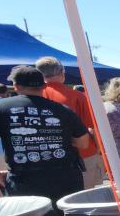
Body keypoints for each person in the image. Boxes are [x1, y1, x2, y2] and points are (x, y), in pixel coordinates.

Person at [0, 66, 93, 216]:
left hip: (24, 179)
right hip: (65, 175)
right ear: (43, 86)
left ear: (16, 86)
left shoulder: (2, 108)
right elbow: (83, 143)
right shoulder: (61, 109)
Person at [36, 56, 106, 189]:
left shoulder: (33, 97)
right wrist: (98, 148)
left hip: (45, 157)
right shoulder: (77, 96)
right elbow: (93, 127)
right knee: (86, 197)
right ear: (62, 73)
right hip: (82, 154)